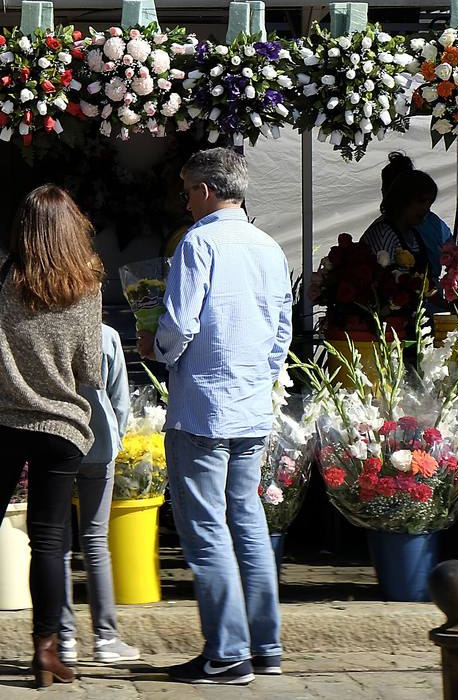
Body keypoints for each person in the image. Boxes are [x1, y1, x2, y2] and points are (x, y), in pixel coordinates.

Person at [0, 185, 104, 688]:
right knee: (50, 544)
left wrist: (0, 349)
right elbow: (89, 368)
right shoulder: (87, 282)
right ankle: (45, 653)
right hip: (61, 427)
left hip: (2, 422)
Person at [136, 148, 293, 686]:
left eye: (186, 191)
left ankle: (227, 652)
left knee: (206, 530)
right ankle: (264, 644)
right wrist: (260, 380)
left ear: (204, 189)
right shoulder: (268, 245)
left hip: (203, 404)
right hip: (250, 405)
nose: (184, 201)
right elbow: (281, 333)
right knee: (247, 523)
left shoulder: (199, 241)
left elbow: (179, 322)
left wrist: (156, 348)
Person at [59, 323, 139, 665]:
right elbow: (120, 400)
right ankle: (105, 638)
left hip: (57, 441)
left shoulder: (51, 328)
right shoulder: (106, 335)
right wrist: (116, 440)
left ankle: (63, 638)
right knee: (95, 540)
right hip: (99, 441)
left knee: (57, 544)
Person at [362, 157, 443, 285]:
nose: (426, 208)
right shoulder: (384, 234)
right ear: (402, 199)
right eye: (421, 201)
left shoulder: (413, 234)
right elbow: (382, 285)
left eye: (430, 203)